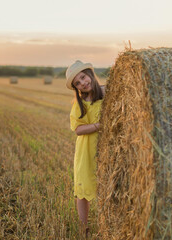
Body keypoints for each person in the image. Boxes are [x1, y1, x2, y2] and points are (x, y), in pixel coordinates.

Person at [65, 60, 105, 235]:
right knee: (83, 187)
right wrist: (100, 125)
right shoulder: (79, 104)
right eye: (78, 83)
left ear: (90, 73)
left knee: (108, 184)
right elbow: (78, 129)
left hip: (108, 146)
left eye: (83, 77)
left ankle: (109, 221)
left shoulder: (108, 92)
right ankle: (83, 227)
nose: (83, 83)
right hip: (86, 149)